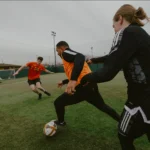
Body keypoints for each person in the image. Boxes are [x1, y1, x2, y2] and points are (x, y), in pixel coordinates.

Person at [81, 4, 150, 150]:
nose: (114, 30)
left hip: (140, 99)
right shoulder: (141, 34)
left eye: (113, 26)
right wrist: (96, 60)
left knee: (123, 134)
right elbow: (116, 56)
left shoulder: (126, 32)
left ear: (119, 19)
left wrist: (86, 78)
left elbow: (107, 73)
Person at [53, 41, 120, 126]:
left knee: (58, 102)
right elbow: (80, 74)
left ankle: (61, 122)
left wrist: (73, 80)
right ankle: (121, 121)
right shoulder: (70, 59)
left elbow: (80, 56)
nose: (58, 53)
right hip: (89, 85)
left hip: (82, 87)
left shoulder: (65, 53)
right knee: (102, 106)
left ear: (61, 48)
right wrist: (64, 81)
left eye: (57, 51)